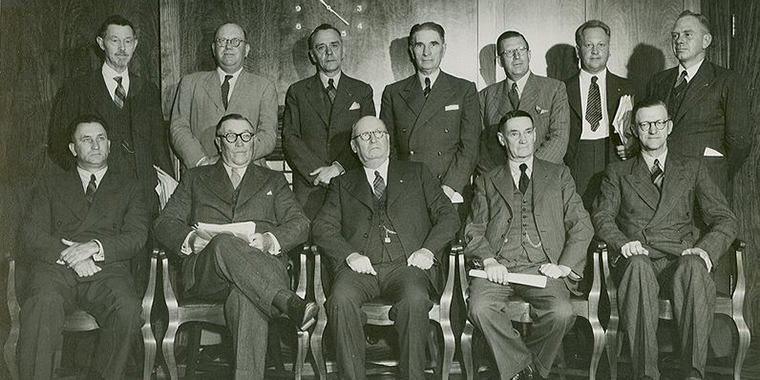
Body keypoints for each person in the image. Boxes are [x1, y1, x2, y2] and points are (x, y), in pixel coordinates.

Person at [154, 114, 316, 379]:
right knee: (222, 243)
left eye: (246, 136)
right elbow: (163, 223)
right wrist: (191, 240)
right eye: (231, 136)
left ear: (254, 140)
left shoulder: (272, 180)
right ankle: (286, 301)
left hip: (262, 270)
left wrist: (269, 240)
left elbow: (300, 223)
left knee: (244, 295)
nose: (240, 143)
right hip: (209, 274)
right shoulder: (196, 178)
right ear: (219, 143)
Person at [592, 99, 737, 380]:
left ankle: (694, 372)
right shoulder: (618, 173)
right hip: (639, 256)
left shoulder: (691, 168)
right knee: (637, 267)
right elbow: (602, 218)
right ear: (634, 130)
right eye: (645, 124)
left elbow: (725, 218)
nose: (653, 130)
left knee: (695, 267)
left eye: (659, 123)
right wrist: (623, 243)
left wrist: (705, 250)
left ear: (669, 126)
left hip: (679, 258)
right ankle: (645, 374)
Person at [312, 116, 460, 380]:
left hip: (407, 266)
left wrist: (428, 250)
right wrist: (349, 255)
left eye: (379, 133)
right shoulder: (342, 184)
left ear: (389, 140)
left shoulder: (418, 173)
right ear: (354, 147)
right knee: (340, 300)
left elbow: (449, 217)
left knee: (414, 300)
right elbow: (322, 228)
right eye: (365, 136)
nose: (374, 140)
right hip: (359, 269)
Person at [20, 115, 150, 380]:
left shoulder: (130, 187)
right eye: (86, 139)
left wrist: (93, 246)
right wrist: (71, 257)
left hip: (107, 269)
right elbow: (30, 233)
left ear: (110, 145)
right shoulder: (50, 184)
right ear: (73, 148)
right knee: (42, 301)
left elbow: (137, 235)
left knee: (127, 308)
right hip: (56, 269)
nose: (95, 145)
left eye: (101, 138)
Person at [464, 110, 592, 380]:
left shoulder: (559, 174)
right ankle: (526, 370)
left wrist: (564, 266)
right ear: (501, 139)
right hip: (499, 269)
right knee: (479, 308)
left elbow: (582, 224)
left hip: (543, 268)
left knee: (561, 312)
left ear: (535, 135)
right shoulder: (487, 180)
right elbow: (473, 229)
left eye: (527, 132)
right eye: (513, 133)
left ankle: (519, 369)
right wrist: (488, 260)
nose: (522, 139)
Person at [47, 14, 171, 206]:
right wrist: (86, 179)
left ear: (135, 44)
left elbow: (159, 147)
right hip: (97, 198)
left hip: (144, 197)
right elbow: (58, 143)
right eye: (115, 40)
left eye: (128, 41)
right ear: (101, 43)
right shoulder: (76, 88)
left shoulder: (148, 90)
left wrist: (167, 190)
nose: (122, 48)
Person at [647, 10, 752, 198]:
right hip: (664, 186)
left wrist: (716, 170)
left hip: (708, 185)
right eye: (675, 35)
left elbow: (740, 143)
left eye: (688, 34)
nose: (679, 40)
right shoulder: (658, 81)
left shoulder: (726, 80)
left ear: (706, 41)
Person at [379, 22, 480, 205]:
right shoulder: (393, 92)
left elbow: (470, 147)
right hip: (407, 191)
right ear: (411, 51)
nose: (427, 53)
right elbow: (388, 147)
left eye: (433, 44)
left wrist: (448, 188)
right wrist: (401, 185)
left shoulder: (464, 90)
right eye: (420, 45)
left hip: (451, 192)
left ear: (444, 48)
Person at [283, 24, 375, 218]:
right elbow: (291, 138)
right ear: (312, 55)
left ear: (343, 50)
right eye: (321, 47)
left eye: (334, 45)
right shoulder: (297, 92)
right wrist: (318, 173)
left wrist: (338, 167)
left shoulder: (362, 90)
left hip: (351, 181)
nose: (329, 52)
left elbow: (368, 137)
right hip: (310, 186)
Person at [170, 23, 277, 169]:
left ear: (246, 50)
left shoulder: (264, 86)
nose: (228, 47)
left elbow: (268, 136)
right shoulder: (190, 83)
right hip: (202, 173)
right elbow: (178, 128)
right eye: (222, 41)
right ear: (214, 49)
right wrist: (201, 161)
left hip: (250, 174)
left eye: (235, 41)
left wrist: (237, 157)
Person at [564, 20, 637, 210]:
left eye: (601, 45)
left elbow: (639, 128)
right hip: (577, 159)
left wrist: (632, 144)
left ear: (609, 50)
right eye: (589, 45)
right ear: (578, 50)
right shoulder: (561, 88)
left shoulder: (628, 87)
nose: (595, 51)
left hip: (613, 156)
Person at [479, 31, 569, 173]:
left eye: (521, 50)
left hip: (546, 176)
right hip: (500, 181)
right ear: (499, 61)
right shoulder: (485, 96)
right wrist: (503, 176)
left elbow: (559, 138)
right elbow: (479, 145)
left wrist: (528, 171)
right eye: (509, 52)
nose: (517, 56)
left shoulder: (555, 89)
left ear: (529, 55)